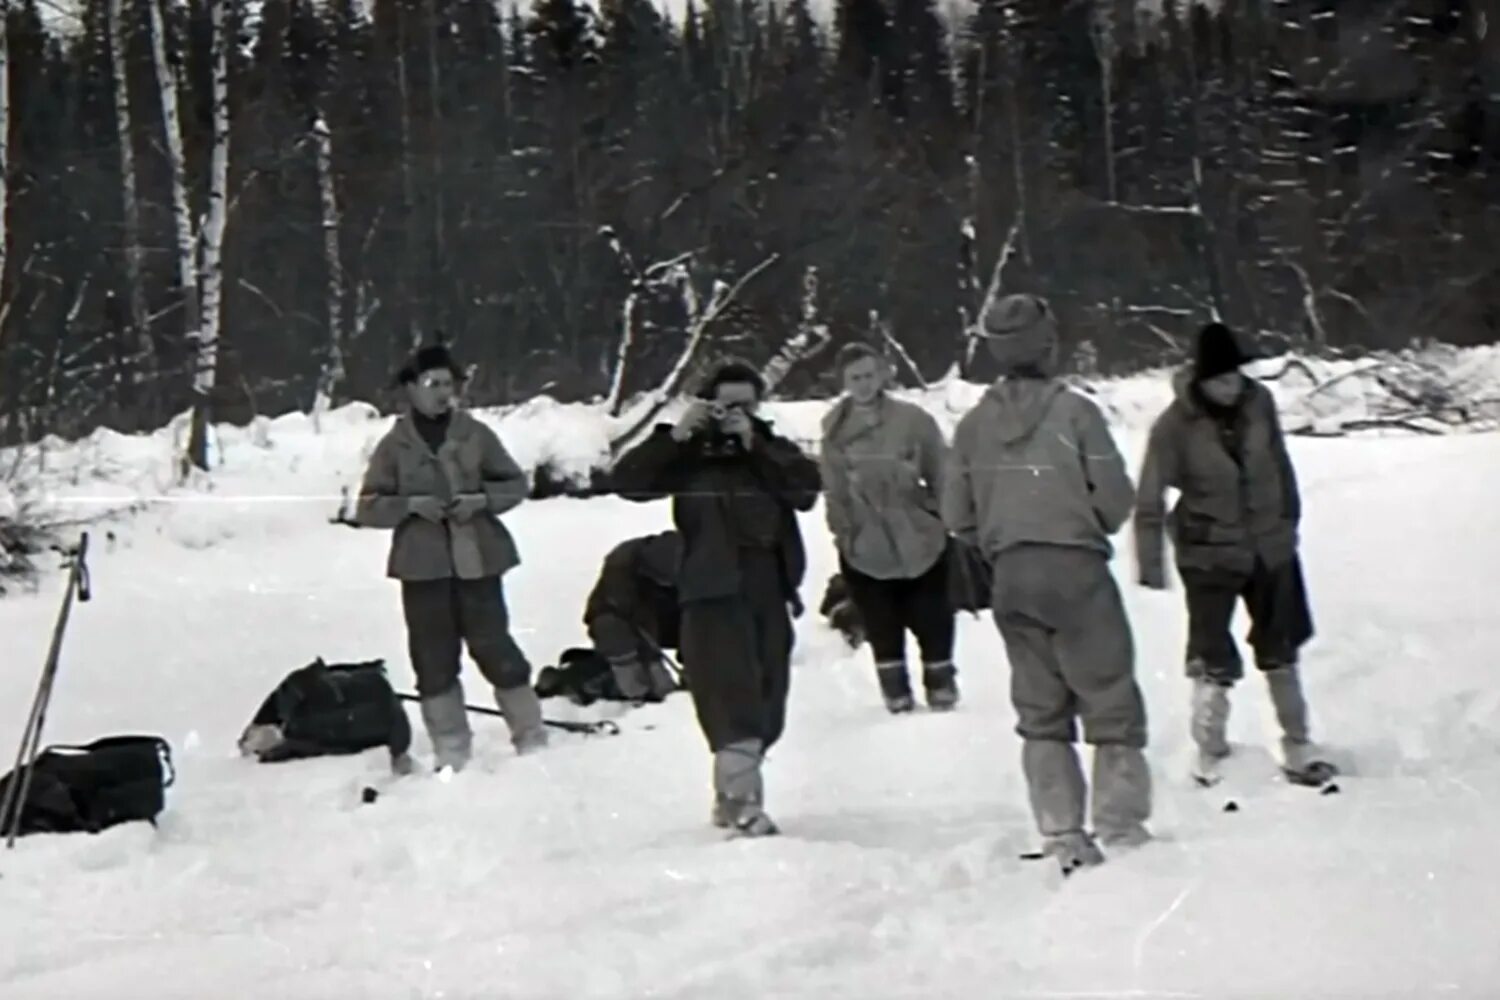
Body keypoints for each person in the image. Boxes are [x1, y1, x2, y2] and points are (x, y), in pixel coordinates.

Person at [941, 292, 1150, 874]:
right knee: (1109, 697)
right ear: (1046, 344)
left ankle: (1060, 831)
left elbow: (956, 511)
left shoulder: (975, 426)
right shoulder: (1076, 412)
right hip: (1076, 567)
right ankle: (1122, 826)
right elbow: (1114, 497)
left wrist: (997, 536)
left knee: (1039, 708)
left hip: (1011, 575)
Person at [611, 359, 821, 836]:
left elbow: (807, 489)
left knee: (770, 697)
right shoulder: (688, 457)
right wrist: (676, 437)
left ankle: (731, 795)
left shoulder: (768, 448)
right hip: (710, 586)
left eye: (745, 404)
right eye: (725, 404)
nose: (734, 413)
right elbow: (627, 482)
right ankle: (743, 803)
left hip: (767, 583)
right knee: (731, 696)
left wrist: (756, 443)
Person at [1135, 322, 1336, 787]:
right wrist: (1151, 564)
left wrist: (1288, 523)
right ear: (1201, 380)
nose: (1231, 387)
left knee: (1281, 647)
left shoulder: (1259, 403)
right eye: (1221, 380)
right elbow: (1149, 496)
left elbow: (1280, 463)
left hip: (1269, 546)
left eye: (1236, 377)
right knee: (1211, 656)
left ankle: (1298, 746)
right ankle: (1210, 752)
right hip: (1209, 555)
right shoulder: (1174, 425)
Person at [354, 344, 549, 772]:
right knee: (433, 657)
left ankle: (531, 737)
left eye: (448, 384)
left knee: (496, 647)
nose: (443, 393)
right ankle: (452, 750)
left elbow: (515, 484)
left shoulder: (475, 434)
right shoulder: (394, 445)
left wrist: (480, 500)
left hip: (479, 560)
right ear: (410, 389)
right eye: (432, 384)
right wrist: (410, 505)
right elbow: (366, 506)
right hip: (422, 569)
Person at [820, 342, 959, 713]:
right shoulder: (834, 430)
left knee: (933, 615)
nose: (863, 384)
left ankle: (941, 684)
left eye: (869, 375)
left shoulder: (914, 421)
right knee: (880, 620)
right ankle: (895, 692)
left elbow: (942, 473)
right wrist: (844, 533)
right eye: (854, 378)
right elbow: (833, 489)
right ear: (844, 381)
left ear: (883, 374)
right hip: (865, 541)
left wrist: (943, 519)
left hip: (918, 534)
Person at [581, 529, 684, 704]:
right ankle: (637, 696)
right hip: (623, 623)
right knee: (612, 629)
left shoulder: (697, 558)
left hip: (671, 615)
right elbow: (636, 618)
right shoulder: (622, 570)